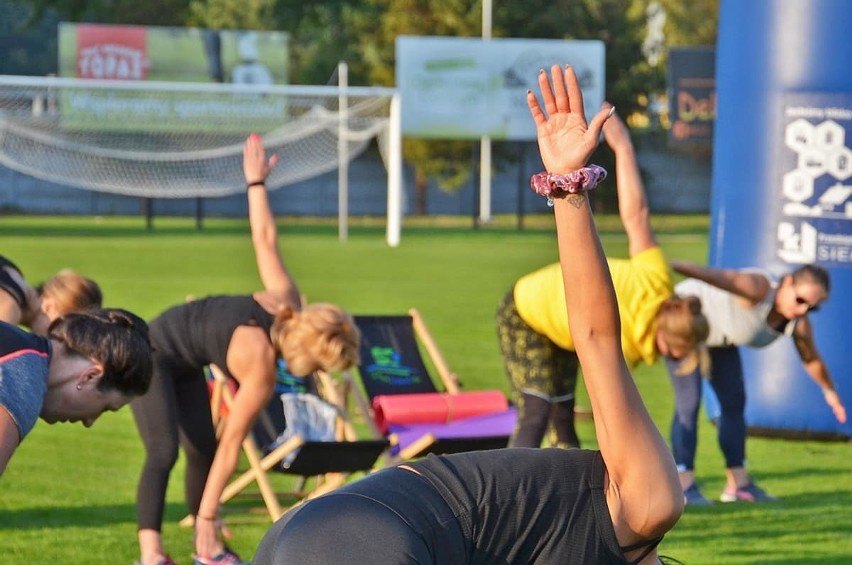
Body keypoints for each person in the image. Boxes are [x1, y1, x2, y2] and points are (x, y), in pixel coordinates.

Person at [252, 64, 684, 565]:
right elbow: (594, 337)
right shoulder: (646, 507)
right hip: (373, 534)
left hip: (314, 524)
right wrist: (568, 188)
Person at [131, 133, 361, 565]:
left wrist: (256, 184)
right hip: (152, 349)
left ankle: (207, 546)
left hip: (188, 361)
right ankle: (152, 555)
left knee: (201, 448)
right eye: (320, 365)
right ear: (309, 351)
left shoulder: (287, 302)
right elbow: (234, 440)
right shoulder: (261, 367)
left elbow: (265, 238)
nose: (317, 373)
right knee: (163, 451)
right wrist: (212, 509)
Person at [497, 108, 709, 450]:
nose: (676, 360)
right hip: (526, 311)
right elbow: (610, 411)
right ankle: (505, 498)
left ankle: (566, 499)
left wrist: (624, 148)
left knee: (563, 419)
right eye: (680, 353)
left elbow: (637, 216)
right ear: (669, 341)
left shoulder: (659, 282)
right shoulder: (627, 341)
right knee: (537, 409)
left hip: (569, 329)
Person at [665, 260, 847, 505]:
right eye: (800, 300)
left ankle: (738, 485)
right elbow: (714, 276)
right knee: (689, 404)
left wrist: (830, 391)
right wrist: (666, 264)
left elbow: (811, 358)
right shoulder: (757, 288)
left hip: (721, 338)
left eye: (811, 307)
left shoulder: (798, 323)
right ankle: (684, 486)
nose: (803, 310)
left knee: (734, 404)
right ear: (788, 283)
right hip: (684, 321)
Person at [0, 308, 152, 475]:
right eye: (105, 408)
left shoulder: (13, 340)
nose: (89, 422)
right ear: (90, 377)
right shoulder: (23, 383)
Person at [0, 255, 103, 335]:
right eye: (60, 328)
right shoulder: (8, 309)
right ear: (49, 306)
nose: (56, 341)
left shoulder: (11, 272)